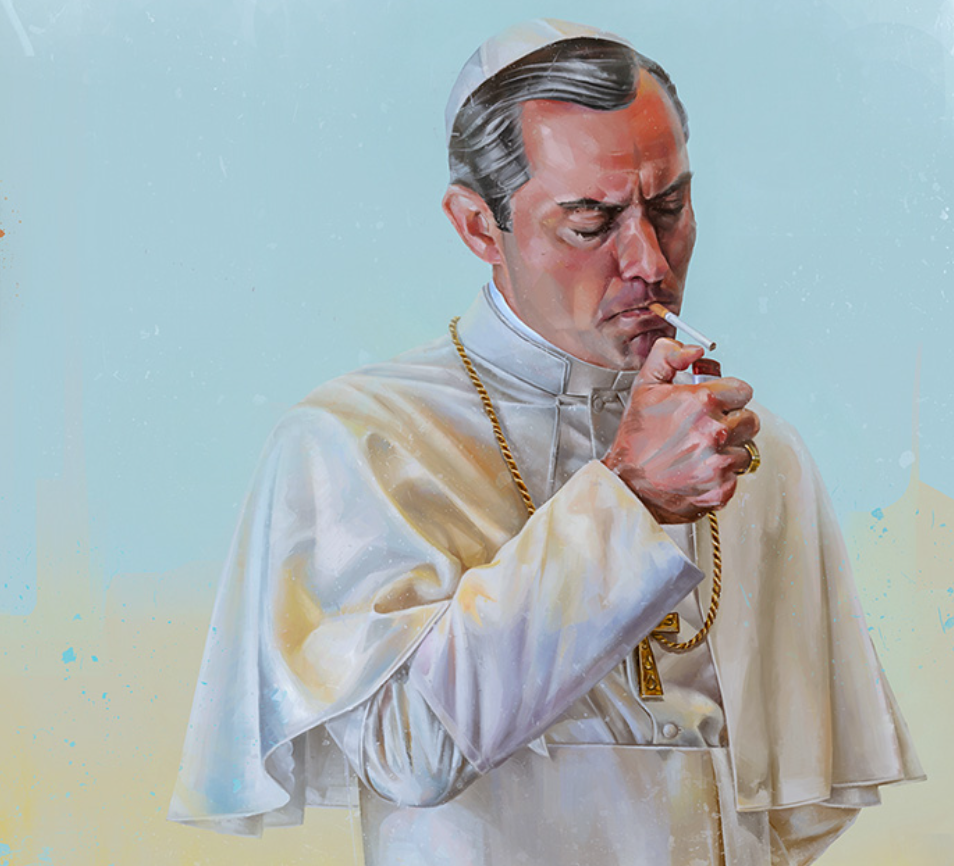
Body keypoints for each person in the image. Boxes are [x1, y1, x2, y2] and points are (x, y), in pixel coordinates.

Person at [169, 19, 923, 865]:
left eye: (669, 208)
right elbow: (409, 753)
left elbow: (801, 806)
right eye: (591, 222)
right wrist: (629, 500)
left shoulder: (754, 451)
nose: (650, 261)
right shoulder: (355, 440)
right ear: (477, 227)